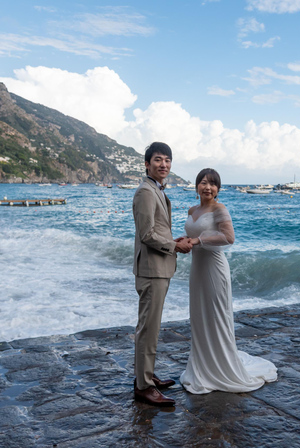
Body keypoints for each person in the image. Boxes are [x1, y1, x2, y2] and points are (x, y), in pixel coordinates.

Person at [180, 168, 277, 394]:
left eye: (212, 184)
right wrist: (185, 241)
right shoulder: (192, 209)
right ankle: (202, 367)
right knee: (199, 315)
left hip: (214, 267)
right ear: (196, 187)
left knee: (216, 315)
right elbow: (194, 235)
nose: (207, 187)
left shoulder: (220, 209)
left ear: (218, 189)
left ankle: (222, 367)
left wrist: (196, 240)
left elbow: (228, 237)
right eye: (203, 182)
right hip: (197, 268)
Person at [132, 142, 192, 407]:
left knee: (152, 327)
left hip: (159, 268)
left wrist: (171, 239)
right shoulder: (146, 191)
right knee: (148, 328)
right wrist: (174, 246)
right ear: (147, 164)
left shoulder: (156, 189)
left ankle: (146, 376)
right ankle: (143, 386)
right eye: (158, 160)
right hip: (152, 270)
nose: (164, 165)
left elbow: (156, 229)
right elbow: (146, 235)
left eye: (167, 160)